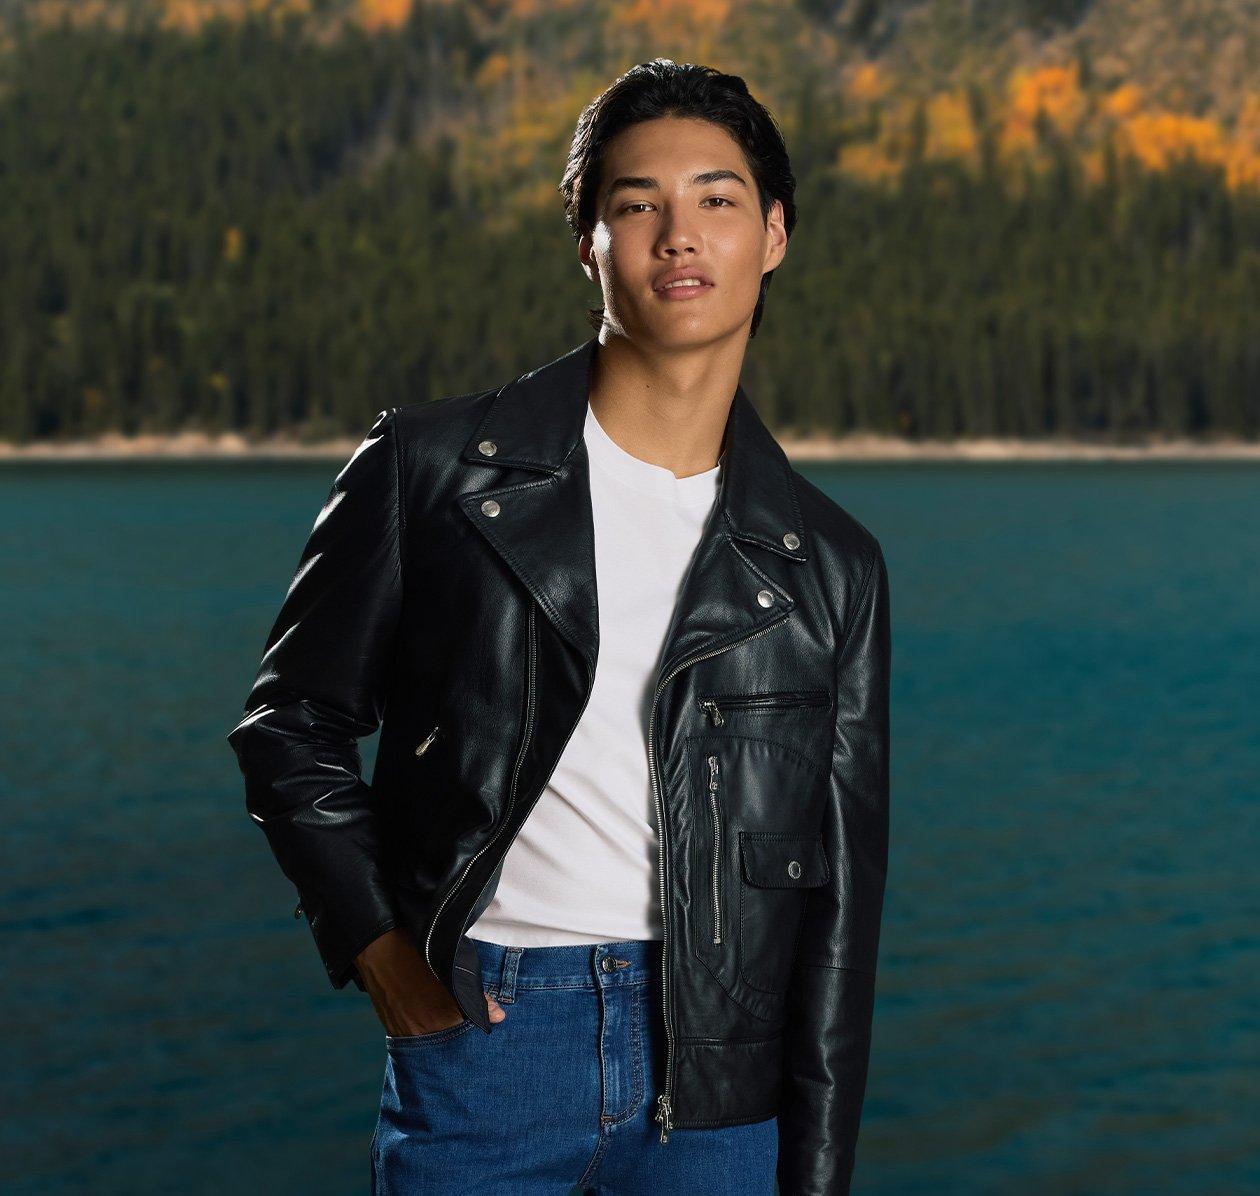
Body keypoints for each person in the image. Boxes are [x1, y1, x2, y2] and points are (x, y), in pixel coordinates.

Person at [228, 59, 891, 1195]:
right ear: (587, 239)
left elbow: (836, 912)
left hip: (723, 1078)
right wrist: (385, 955)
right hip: (489, 1040)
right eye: (638, 204)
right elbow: (291, 722)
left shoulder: (829, 564)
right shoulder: (433, 469)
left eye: (717, 200)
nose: (679, 235)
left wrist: (817, 1171)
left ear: (773, 235)